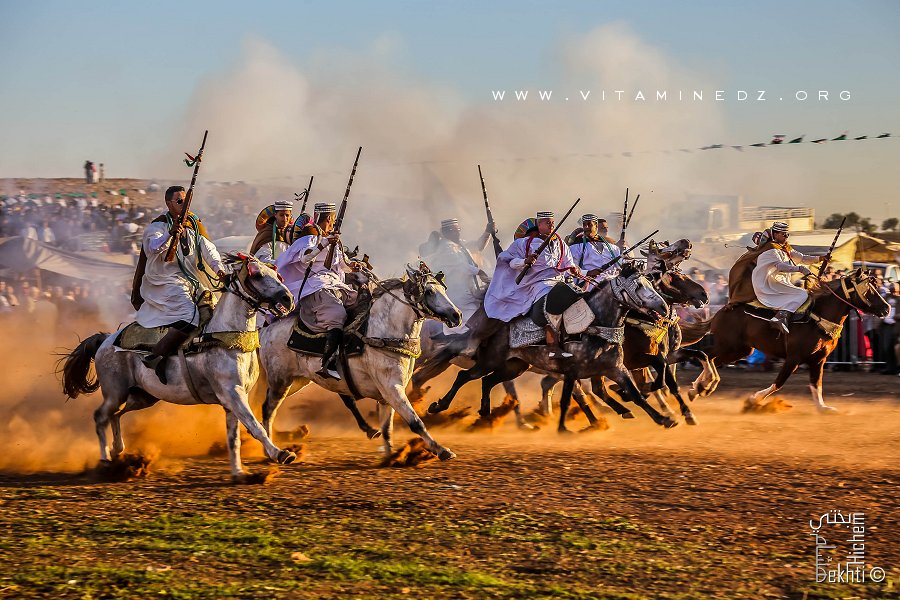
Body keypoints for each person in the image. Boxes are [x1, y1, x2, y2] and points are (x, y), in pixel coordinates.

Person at [134, 185, 226, 384]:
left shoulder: (192, 225)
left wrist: (219, 270)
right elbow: (152, 248)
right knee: (189, 315)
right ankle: (156, 357)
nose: (184, 205)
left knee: (215, 307)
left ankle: (200, 356)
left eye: (186, 201)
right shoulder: (157, 227)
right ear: (169, 204)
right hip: (166, 281)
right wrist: (170, 233)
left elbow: (209, 250)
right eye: (179, 202)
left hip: (189, 280)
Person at [465, 210, 581, 358]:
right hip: (537, 283)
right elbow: (509, 261)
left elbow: (569, 264)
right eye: (547, 222)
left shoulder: (560, 243)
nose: (551, 224)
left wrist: (576, 270)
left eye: (552, 222)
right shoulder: (523, 243)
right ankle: (552, 347)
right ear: (539, 224)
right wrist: (525, 261)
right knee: (549, 300)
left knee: (580, 296)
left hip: (559, 281)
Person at [275, 202, 360, 380]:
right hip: (315, 287)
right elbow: (306, 258)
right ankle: (328, 363)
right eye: (333, 219)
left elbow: (342, 265)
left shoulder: (335, 241)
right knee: (336, 314)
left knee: (362, 302)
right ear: (329, 218)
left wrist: (353, 266)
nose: (333, 222)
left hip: (334, 284)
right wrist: (324, 243)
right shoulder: (309, 240)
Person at [749, 221, 825, 334]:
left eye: (787, 234)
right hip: (769, 285)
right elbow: (780, 266)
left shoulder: (784, 248)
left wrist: (821, 258)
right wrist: (801, 269)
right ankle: (781, 317)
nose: (786, 236)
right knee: (802, 294)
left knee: (804, 294)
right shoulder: (769, 250)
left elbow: (802, 258)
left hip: (781, 283)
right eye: (783, 234)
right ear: (775, 234)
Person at [420, 218, 494, 331]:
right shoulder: (445, 248)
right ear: (446, 232)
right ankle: (460, 345)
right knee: (470, 322)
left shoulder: (459, 244)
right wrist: (479, 272)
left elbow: (478, 246)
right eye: (454, 230)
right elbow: (460, 266)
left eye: (458, 229)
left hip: (469, 291)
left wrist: (487, 232)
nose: (458, 232)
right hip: (458, 294)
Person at [567, 214, 621, 289]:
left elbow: (619, 266)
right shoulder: (577, 245)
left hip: (613, 285)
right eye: (584, 225)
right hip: (590, 286)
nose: (586, 227)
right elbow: (569, 268)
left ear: (596, 226)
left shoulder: (612, 246)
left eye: (589, 225)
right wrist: (588, 273)